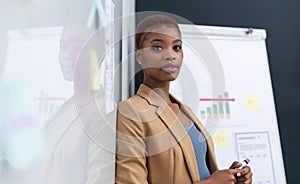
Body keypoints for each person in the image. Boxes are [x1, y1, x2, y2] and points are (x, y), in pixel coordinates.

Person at [116, 14, 253, 184]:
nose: (170, 55)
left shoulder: (183, 109)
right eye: (158, 48)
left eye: (177, 47)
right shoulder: (131, 112)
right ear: (139, 56)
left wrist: (231, 177)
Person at [36, 25, 115, 184]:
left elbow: (100, 179)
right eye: (63, 47)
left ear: (97, 56)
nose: (67, 56)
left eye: (78, 48)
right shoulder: (67, 108)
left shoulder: (103, 113)